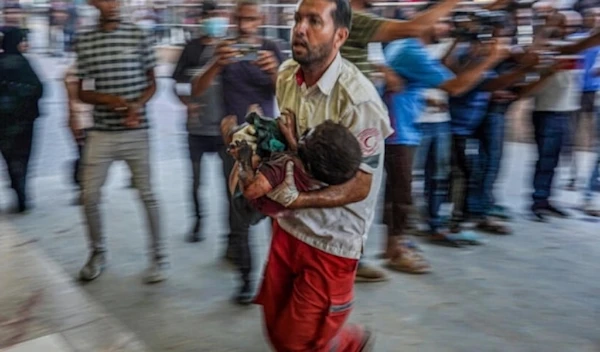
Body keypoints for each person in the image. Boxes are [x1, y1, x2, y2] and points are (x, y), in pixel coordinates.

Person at [241, 0, 392, 349]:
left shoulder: (359, 101)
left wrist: (300, 198)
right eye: (297, 19)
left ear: (339, 35)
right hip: (288, 227)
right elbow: (294, 147)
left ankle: (347, 343)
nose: (299, 28)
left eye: (313, 21)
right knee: (277, 332)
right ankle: (342, 342)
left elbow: (363, 184)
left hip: (332, 241)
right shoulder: (285, 77)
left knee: (298, 343)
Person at [342, 0, 463, 282]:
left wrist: (382, 73)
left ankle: (377, 251)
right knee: (384, 193)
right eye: (442, 20)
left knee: (382, 194)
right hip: (383, 127)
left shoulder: (370, 24)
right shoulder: (348, 15)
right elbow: (457, 85)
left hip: (374, 124)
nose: (446, 25)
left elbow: (370, 63)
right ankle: (366, 255)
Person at [192, 0, 283, 304]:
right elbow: (196, 88)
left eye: (252, 19)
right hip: (234, 146)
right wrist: (217, 63)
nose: (246, 26)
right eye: (241, 19)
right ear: (233, 20)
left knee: (277, 213)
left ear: (261, 20)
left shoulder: (272, 47)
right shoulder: (223, 49)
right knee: (238, 215)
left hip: (269, 144)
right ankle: (246, 278)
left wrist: (274, 72)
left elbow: (287, 93)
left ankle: (277, 277)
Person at [74, 0, 167, 283]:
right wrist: (106, 99)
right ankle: (97, 253)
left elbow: (153, 83)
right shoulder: (85, 40)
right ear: (93, 3)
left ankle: (158, 258)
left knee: (147, 195)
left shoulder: (139, 35)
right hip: (101, 132)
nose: (112, 4)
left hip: (136, 131)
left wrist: (135, 106)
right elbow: (81, 92)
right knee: (89, 195)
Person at [172, 0, 230, 243]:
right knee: (195, 182)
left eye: (217, 14)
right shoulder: (191, 48)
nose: (214, 19)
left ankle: (231, 234)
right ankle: (198, 222)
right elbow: (176, 83)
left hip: (223, 129)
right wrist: (187, 103)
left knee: (229, 184)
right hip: (196, 128)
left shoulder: (228, 49)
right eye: (210, 15)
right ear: (202, 19)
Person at [230, 120, 363, 218]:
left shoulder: (282, 166)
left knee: (249, 146)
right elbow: (301, 157)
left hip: (254, 201)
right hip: (283, 210)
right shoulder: (319, 173)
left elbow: (251, 191)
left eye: (306, 134)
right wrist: (290, 137)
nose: (304, 133)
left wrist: (244, 160)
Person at [0, 26, 44, 213]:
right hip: (25, 121)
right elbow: (39, 89)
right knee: (23, 157)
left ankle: (16, 185)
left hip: (3, 122)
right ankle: (21, 190)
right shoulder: (23, 63)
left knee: (10, 157)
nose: (25, 44)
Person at [64, 64, 93, 205]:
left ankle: (85, 187)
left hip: (93, 118)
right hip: (83, 119)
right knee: (85, 155)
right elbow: (72, 99)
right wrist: (74, 119)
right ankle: (83, 188)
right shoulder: (75, 71)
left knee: (88, 155)